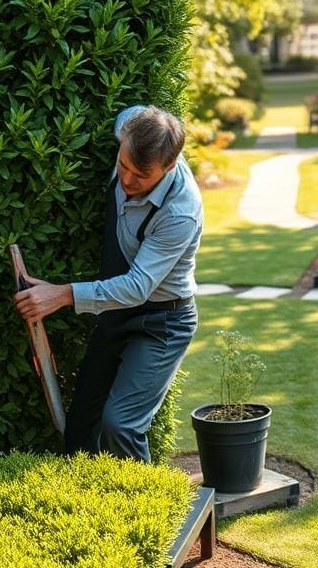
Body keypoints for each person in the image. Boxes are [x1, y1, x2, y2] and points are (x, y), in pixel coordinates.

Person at [13, 105, 202, 461]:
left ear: (170, 166)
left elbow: (136, 287)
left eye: (141, 176)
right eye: (123, 166)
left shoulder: (180, 212)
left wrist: (62, 294)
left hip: (162, 321)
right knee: (81, 426)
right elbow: (133, 115)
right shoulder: (130, 130)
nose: (127, 181)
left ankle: (148, 513)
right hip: (116, 314)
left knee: (122, 425)